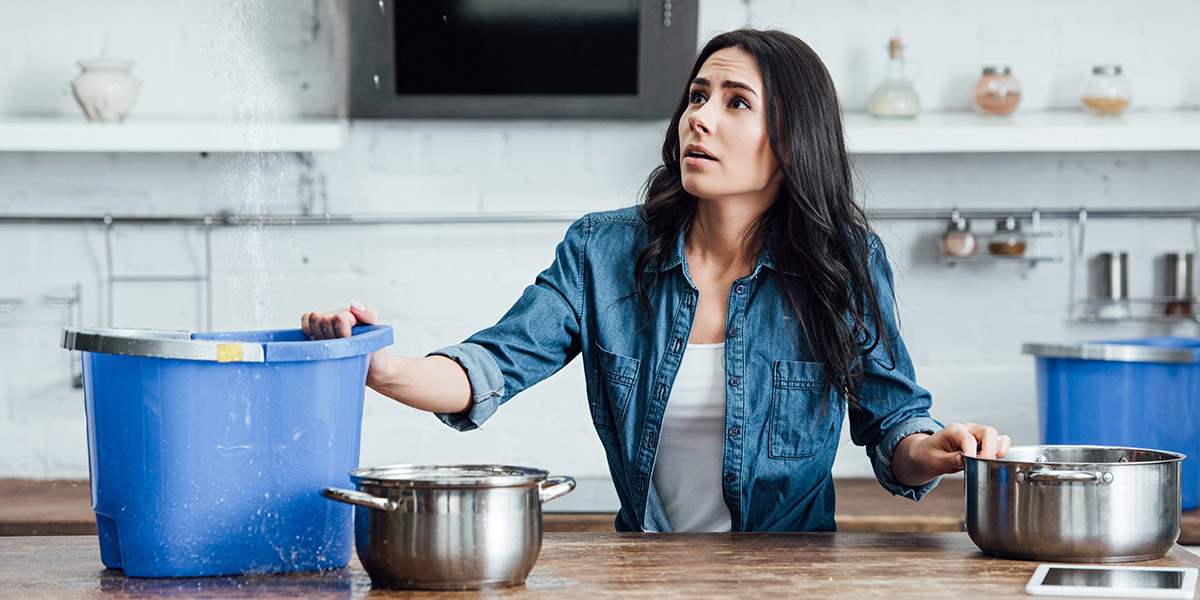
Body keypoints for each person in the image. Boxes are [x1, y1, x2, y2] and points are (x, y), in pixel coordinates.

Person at [303, 29, 1010, 533]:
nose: (697, 117)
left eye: (736, 102)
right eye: (698, 95)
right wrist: (376, 366)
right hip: (649, 568)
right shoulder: (603, 251)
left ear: (794, 142)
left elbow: (893, 428)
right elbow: (487, 367)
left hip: (795, 576)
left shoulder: (845, 261)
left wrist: (938, 452)